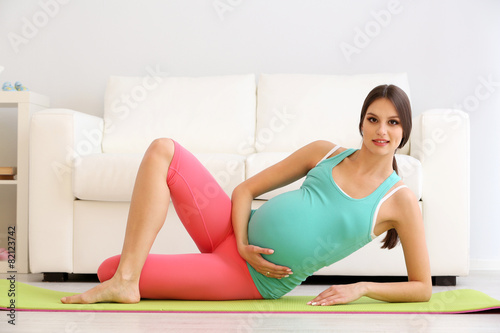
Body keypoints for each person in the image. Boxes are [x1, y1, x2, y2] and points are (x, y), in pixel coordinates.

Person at [61, 84, 432, 306]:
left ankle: (123, 278)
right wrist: (240, 241)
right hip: (230, 233)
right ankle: (126, 282)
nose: (381, 130)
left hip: (251, 277)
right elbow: (245, 190)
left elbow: (423, 288)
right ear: (361, 123)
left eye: (393, 122)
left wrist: (362, 289)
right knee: (163, 149)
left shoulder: (398, 201)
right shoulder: (324, 152)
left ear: (404, 131)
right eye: (373, 119)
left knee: (106, 268)